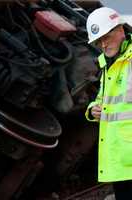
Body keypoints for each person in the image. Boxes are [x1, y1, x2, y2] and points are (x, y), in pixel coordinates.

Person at [85, 7, 132, 200]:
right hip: (119, 155)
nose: (103, 44)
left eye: (107, 37)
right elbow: (104, 100)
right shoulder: (109, 64)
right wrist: (92, 110)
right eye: (99, 41)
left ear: (120, 30)